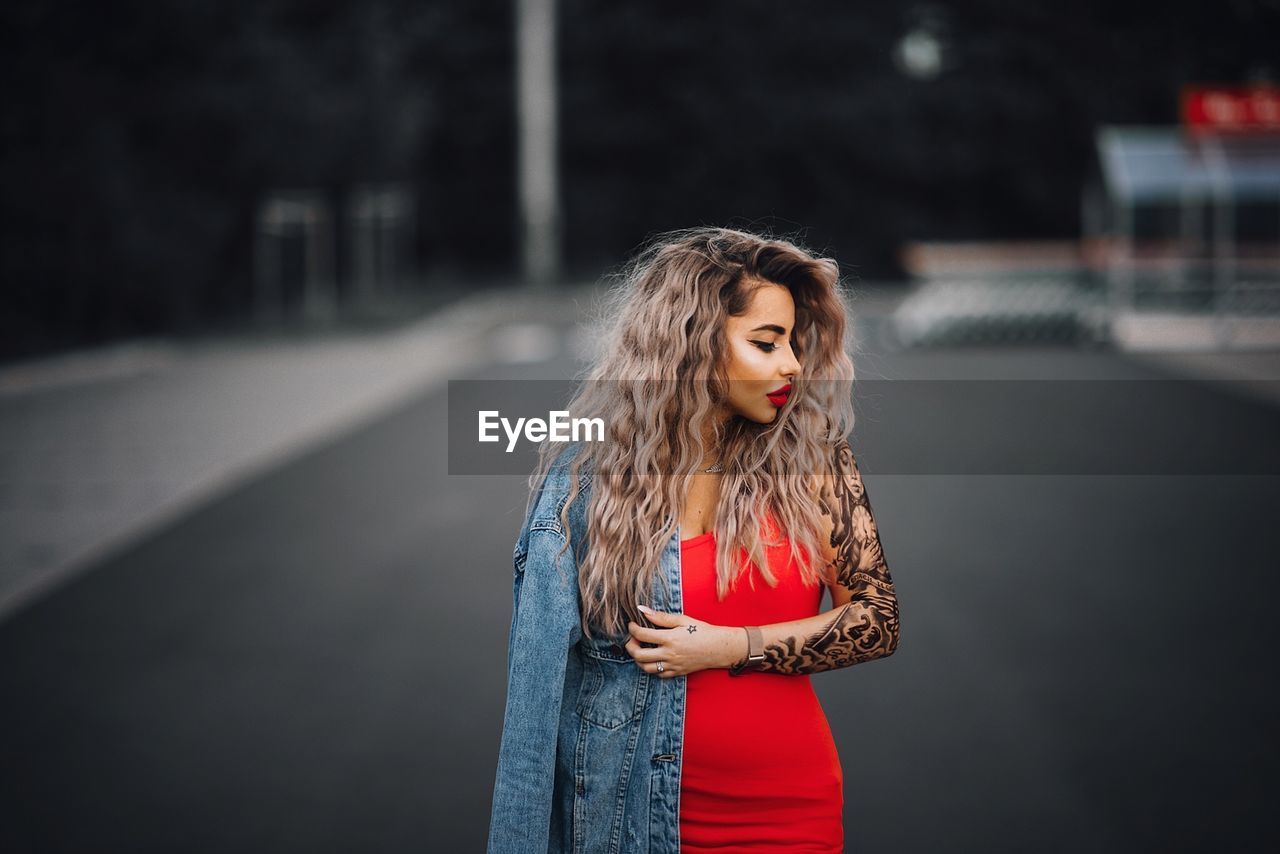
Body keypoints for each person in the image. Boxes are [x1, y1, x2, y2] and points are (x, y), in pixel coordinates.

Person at [486, 226, 901, 853]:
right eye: (767, 342)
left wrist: (727, 646)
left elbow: (878, 619)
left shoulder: (815, 463)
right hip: (627, 817)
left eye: (792, 341)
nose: (791, 363)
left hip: (791, 815)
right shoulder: (588, 485)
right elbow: (535, 704)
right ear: (696, 343)